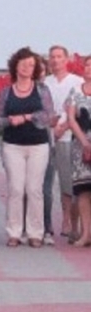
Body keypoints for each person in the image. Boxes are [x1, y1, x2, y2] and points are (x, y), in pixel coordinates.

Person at [0, 47, 53, 248]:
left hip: (38, 145)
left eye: (31, 65)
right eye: (24, 64)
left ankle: (36, 232)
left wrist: (27, 117)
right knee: (16, 189)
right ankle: (14, 232)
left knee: (34, 189)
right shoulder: (6, 92)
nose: (27, 68)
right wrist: (10, 121)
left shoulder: (42, 90)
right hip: (13, 145)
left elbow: (48, 116)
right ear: (15, 65)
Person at [43, 45, 83, 244]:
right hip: (46, 138)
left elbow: (80, 111)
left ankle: (68, 220)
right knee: (46, 183)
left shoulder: (77, 82)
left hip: (68, 137)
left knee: (68, 182)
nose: (55, 60)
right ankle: (45, 224)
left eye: (59, 56)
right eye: (52, 57)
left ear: (66, 59)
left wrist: (65, 126)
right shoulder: (44, 83)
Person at [65, 55, 91, 247]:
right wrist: (84, 141)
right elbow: (71, 118)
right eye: (87, 65)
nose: (89, 69)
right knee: (83, 190)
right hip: (80, 146)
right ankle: (85, 233)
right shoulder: (75, 90)